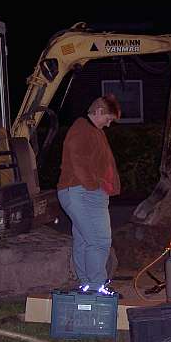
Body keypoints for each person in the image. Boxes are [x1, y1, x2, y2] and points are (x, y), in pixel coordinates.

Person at [57, 94, 121, 295]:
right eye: (108, 119)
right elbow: (78, 160)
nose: (109, 124)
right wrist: (94, 185)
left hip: (85, 192)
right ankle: (96, 286)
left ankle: (86, 285)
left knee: (85, 240)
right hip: (82, 192)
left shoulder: (94, 130)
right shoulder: (82, 129)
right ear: (99, 111)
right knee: (99, 240)